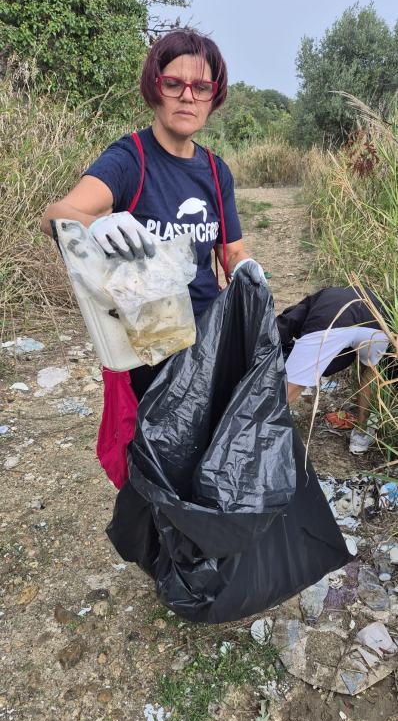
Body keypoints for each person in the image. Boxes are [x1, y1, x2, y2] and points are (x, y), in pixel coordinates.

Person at [41, 28, 265, 402]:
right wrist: (96, 224)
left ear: (214, 97)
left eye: (201, 87)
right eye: (174, 83)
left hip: (207, 335)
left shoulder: (215, 170)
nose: (187, 97)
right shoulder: (130, 159)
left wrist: (245, 266)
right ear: (154, 89)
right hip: (147, 340)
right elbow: (55, 215)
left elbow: (230, 251)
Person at [276, 285, 389, 454]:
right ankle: (360, 436)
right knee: (369, 372)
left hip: (331, 320)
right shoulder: (370, 294)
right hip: (378, 327)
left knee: (293, 384)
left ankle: (258, 431)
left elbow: (289, 322)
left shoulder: (312, 302)